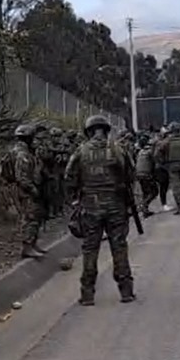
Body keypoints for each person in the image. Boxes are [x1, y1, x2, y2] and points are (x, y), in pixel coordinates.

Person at [65, 115, 137, 305]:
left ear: (89, 131)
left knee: (90, 249)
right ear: (106, 130)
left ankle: (87, 294)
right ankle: (126, 291)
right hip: (116, 206)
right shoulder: (118, 149)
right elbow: (131, 175)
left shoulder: (81, 152)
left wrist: (77, 198)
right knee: (119, 246)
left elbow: (69, 179)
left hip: (90, 207)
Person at [5, 124, 48, 259]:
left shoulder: (19, 151)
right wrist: (32, 189)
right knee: (30, 218)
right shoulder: (22, 154)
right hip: (26, 191)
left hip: (26, 189)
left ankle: (32, 244)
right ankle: (27, 247)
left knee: (36, 216)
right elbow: (21, 177)